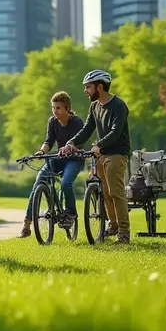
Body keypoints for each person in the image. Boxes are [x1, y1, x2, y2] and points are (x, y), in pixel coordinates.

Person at [60, 69, 133, 244]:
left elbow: (116, 132)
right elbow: (87, 129)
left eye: (88, 87)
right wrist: (71, 143)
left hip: (116, 153)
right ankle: (113, 225)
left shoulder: (119, 105)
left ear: (99, 87)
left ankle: (124, 233)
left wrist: (99, 144)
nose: (85, 91)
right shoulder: (95, 106)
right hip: (100, 154)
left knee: (116, 192)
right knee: (105, 194)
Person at [19, 91, 86, 238]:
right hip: (58, 158)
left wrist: (70, 147)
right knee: (38, 183)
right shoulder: (52, 121)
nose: (55, 111)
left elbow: (80, 142)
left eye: (58, 108)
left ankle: (70, 214)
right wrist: (41, 151)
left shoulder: (76, 122)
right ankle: (26, 225)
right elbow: (49, 141)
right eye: (53, 107)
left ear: (67, 108)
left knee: (65, 183)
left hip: (74, 159)